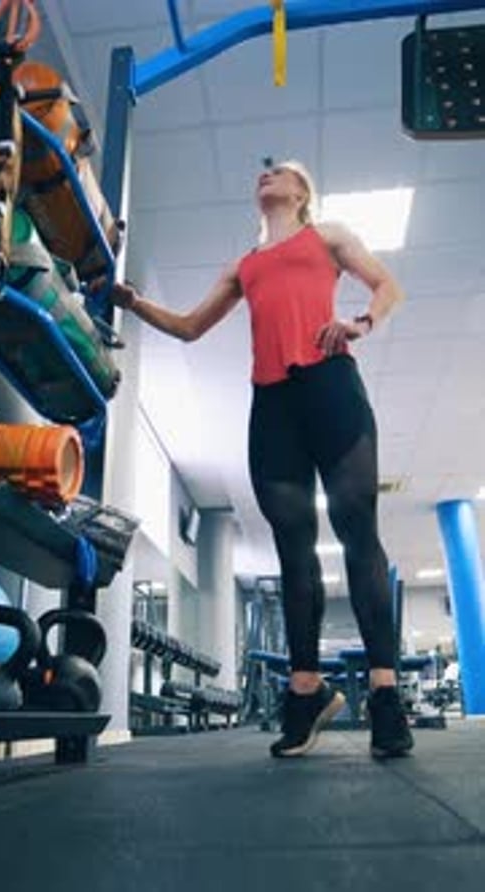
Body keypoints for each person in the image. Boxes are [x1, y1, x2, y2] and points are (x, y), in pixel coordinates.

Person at [105, 160, 414, 760]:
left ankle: (385, 695)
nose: (268, 174)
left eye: (283, 172)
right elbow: (192, 326)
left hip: (331, 385)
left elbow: (388, 286)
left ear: (302, 192)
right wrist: (136, 303)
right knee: (292, 548)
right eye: (264, 173)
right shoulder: (244, 266)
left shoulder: (327, 236)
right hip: (272, 406)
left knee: (356, 528)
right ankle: (306, 691)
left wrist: (360, 321)